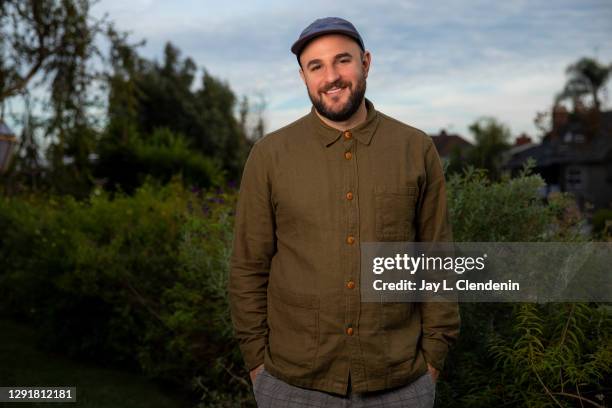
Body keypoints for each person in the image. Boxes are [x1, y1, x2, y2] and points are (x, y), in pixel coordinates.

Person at [229, 17, 460, 407]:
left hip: (400, 384)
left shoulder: (415, 149)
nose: (331, 76)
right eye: (316, 66)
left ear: (366, 63)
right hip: (291, 386)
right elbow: (248, 267)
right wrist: (257, 363)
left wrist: (433, 357)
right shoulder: (269, 156)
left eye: (343, 61)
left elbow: (437, 258)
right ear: (302, 76)